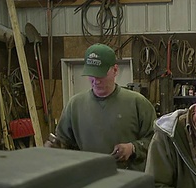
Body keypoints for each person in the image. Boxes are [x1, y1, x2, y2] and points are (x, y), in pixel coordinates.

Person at [49, 43, 156, 171]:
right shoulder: (74, 105)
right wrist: (55, 147)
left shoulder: (138, 103)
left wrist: (132, 148)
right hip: (87, 179)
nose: (96, 81)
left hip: (127, 181)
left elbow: (155, 141)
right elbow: (64, 142)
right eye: (91, 75)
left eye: (101, 75)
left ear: (115, 70)